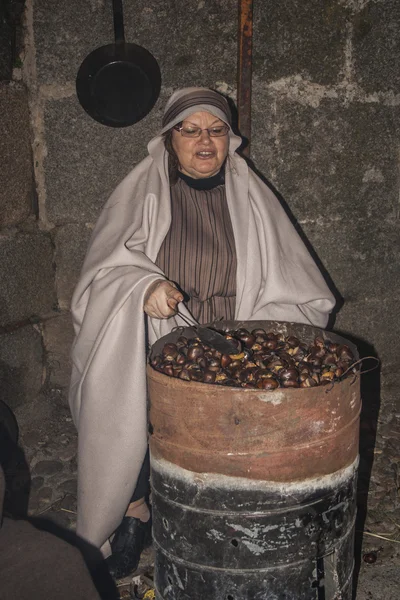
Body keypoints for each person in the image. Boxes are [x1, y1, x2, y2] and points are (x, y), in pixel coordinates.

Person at [68, 87, 336, 578]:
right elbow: (103, 272)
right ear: (170, 141)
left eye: (215, 130)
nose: (204, 141)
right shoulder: (142, 191)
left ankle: (226, 510)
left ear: (229, 139)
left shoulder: (252, 195)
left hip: (232, 338)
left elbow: (292, 280)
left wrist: (259, 336)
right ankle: (132, 508)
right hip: (154, 334)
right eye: (189, 131)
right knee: (129, 408)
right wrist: (142, 284)